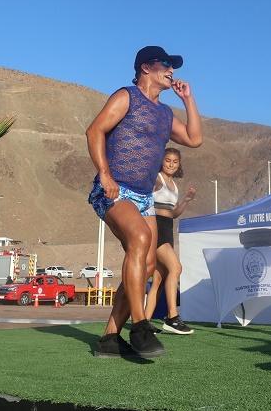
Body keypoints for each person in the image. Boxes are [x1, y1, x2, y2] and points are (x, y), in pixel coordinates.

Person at [87, 45, 202, 358]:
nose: (171, 70)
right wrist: (105, 175)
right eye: (165, 64)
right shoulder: (127, 96)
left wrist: (188, 100)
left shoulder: (165, 114)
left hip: (144, 196)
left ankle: (110, 339)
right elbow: (95, 130)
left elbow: (194, 139)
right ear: (146, 67)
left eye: (173, 66)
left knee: (148, 264)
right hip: (115, 190)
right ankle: (140, 327)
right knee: (139, 238)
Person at [144, 147, 196, 334]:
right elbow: (144, 198)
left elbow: (173, 213)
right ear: (161, 161)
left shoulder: (173, 185)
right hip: (155, 227)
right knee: (176, 268)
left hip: (167, 228)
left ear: (179, 164)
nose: (171, 164)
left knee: (159, 278)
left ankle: (144, 323)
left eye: (175, 161)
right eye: (167, 160)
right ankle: (172, 317)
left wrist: (186, 201)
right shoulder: (156, 179)